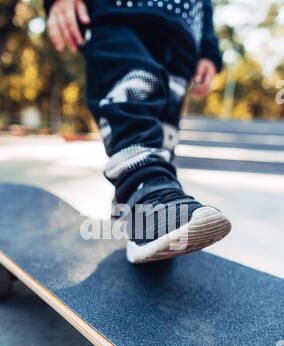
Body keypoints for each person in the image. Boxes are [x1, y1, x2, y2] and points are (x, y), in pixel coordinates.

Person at [44, 0, 231, 263]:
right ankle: (147, 193)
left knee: (162, 132)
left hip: (184, 36)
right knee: (133, 87)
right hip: (117, 13)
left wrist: (209, 51)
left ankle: (134, 210)